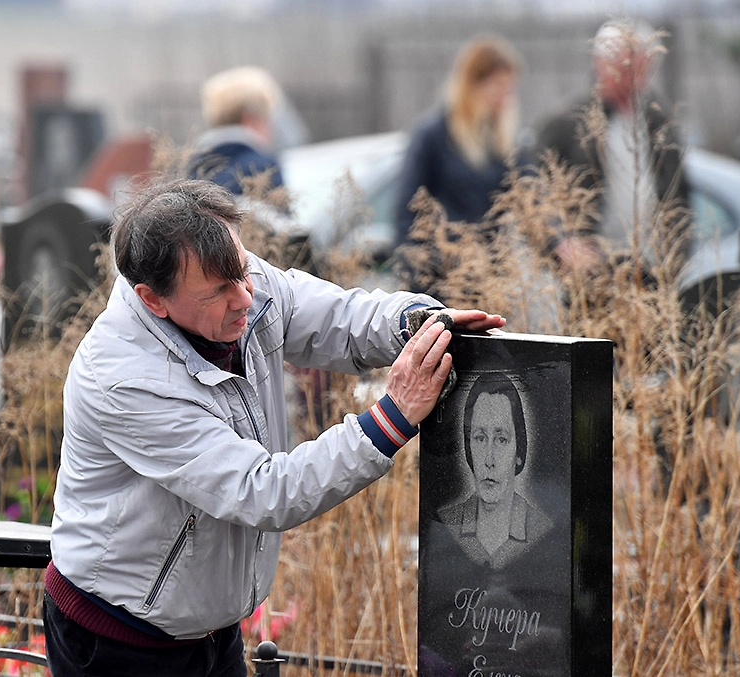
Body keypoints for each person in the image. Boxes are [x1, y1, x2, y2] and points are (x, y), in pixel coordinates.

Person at [43, 178, 505, 677]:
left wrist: (416, 323)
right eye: (219, 292)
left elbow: (339, 318)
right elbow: (262, 492)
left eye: (243, 271)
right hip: (118, 640)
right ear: (153, 300)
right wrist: (393, 416)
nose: (245, 298)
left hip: (210, 630)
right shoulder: (124, 378)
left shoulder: (230, 275)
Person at [535, 18, 691, 278]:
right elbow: (535, 194)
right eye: (623, 69)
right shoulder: (568, 125)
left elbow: (680, 197)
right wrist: (559, 242)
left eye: (639, 70)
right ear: (600, 65)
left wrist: (677, 255)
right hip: (591, 272)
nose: (632, 80)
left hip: (650, 269)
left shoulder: (661, 124)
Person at [392, 35, 522, 254]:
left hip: (490, 269)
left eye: (508, 89)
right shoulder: (432, 136)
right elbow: (407, 211)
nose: (504, 98)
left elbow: (532, 194)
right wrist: (415, 265)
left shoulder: (505, 145)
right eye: (498, 87)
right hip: (441, 267)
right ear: (472, 84)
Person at [436, 372, 551, 570]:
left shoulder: (542, 531)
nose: (489, 460)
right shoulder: (445, 524)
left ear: (519, 451)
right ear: (468, 447)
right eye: (480, 438)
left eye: (501, 440)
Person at [189, 66, 286, 197]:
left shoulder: (195, 166)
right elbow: (276, 210)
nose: (271, 130)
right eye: (267, 120)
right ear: (250, 120)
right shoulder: (264, 167)